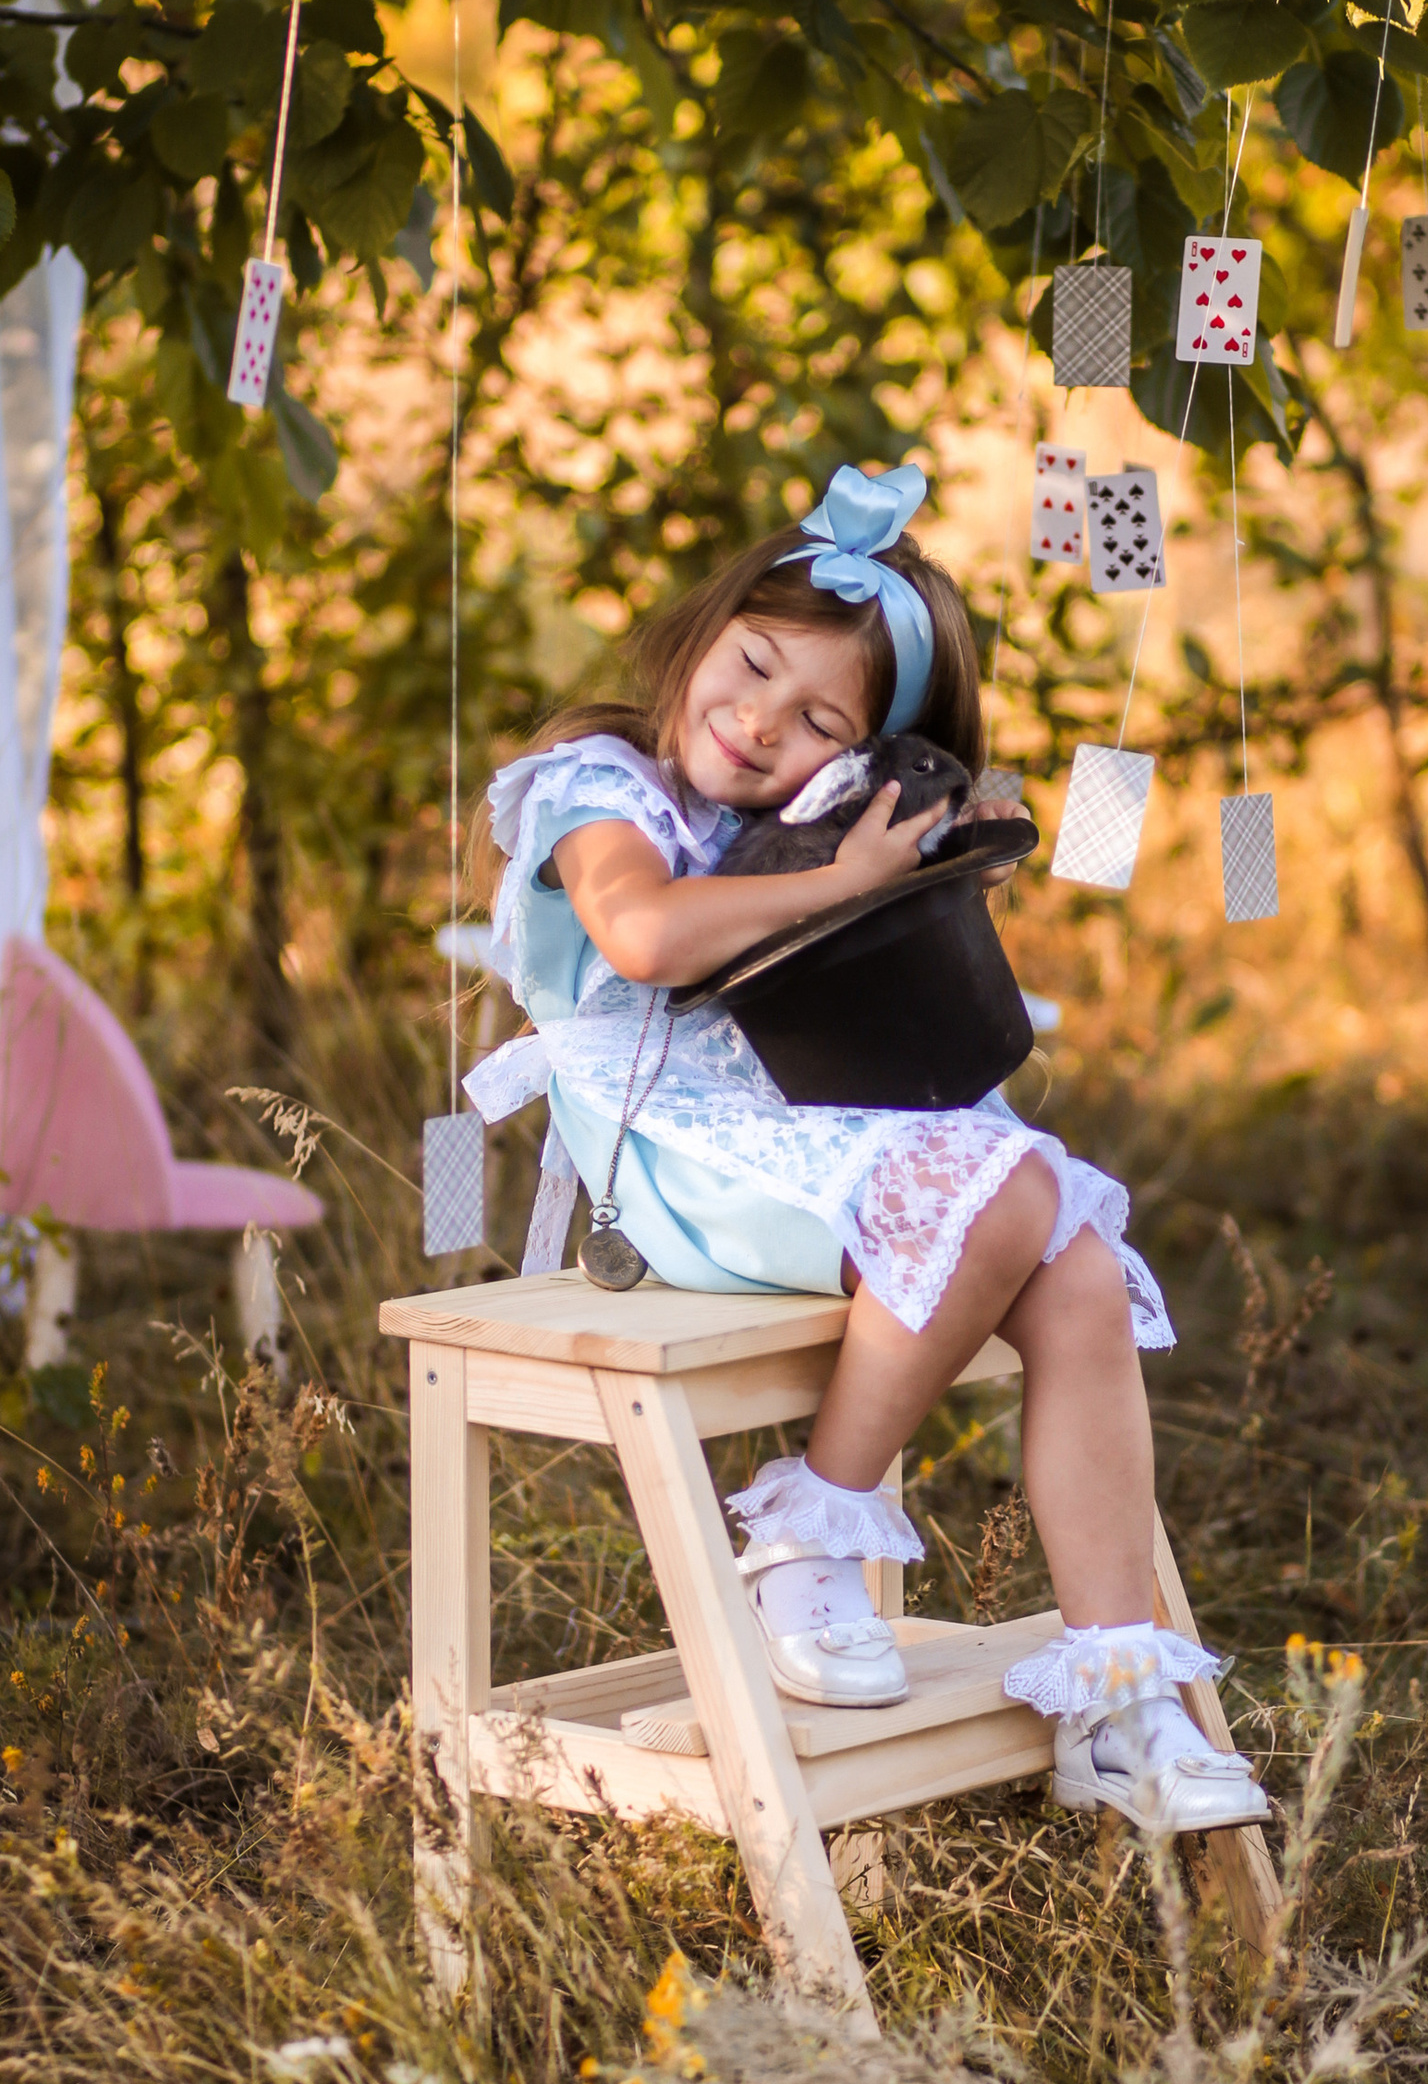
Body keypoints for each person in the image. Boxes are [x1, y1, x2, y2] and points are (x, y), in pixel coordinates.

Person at [465, 460, 1271, 1836]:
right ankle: (809, 1523)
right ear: (707, 625)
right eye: (754, 661)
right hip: (674, 1157)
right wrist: (835, 875)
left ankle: (1120, 1698)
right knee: (1012, 1185)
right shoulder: (596, 786)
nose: (758, 717)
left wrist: (918, 848)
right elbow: (645, 936)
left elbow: (852, 967)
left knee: (1073, 1260)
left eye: (816, 719)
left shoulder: (794, 820)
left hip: (809, 1127)